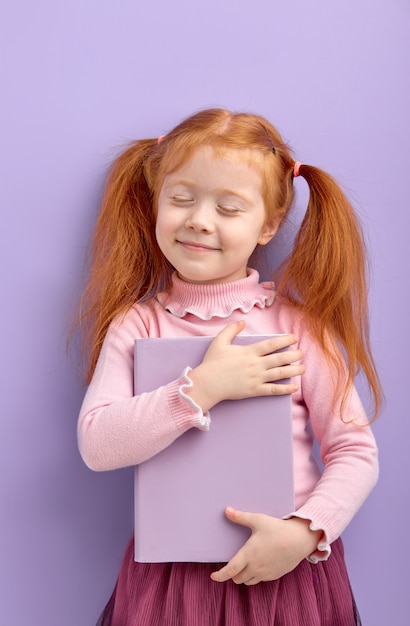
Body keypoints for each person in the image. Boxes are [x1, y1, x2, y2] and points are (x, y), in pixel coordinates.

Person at [77, 108, 381, 626]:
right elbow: (98, 445)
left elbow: (355, 451)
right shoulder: (139, 325)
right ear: (156, 203)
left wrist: (306, 530)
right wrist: (201, 388)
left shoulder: (298, 324)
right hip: (172, 579)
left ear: (268, 226)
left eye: (229, 207)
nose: (199, 219)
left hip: (286, 570)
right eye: (181, 198)